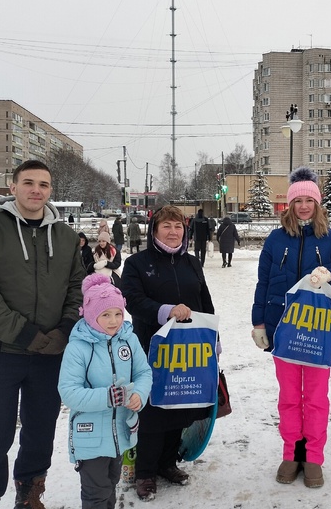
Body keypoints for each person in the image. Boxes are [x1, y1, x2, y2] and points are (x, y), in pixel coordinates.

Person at [0, 159, 85, 509]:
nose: (36, 190)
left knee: (40, 431)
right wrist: (25, 334)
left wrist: (64, 330)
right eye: (28, 182)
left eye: (43, 185)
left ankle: (30, 493)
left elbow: (77, 287)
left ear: (50, 191)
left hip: (50, 354)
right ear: (12, 187)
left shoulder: (64, 236)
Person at [251, 167, 331, 488]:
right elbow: (263, 282)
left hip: (318, 329)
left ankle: (314, 457)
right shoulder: (276, 239)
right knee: (290, 397)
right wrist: (258, 322)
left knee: (316, 398)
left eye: (310, 200)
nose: (304, 206)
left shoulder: (330, 238)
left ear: (318, 204)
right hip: (282, 329)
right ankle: (291, 452)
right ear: (290, 205)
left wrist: (330, 275)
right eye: (298, 200)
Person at [120, 205, 216, 502]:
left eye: (178, 226)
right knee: (152, 411)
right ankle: (145, 471)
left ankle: (166, 463)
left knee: (180, 406)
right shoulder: (137, 263)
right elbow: (132, 301)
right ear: (154, 230)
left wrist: (213, 339)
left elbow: (204, 301)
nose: (173, 232)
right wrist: (166, 312)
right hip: (150, 349)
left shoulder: (191, 263)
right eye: (166, 226)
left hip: (189, 350)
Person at [58, 273, 152, 509]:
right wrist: (108, 397)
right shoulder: (78, 348)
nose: (114, 321)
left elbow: (144, 372)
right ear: (91, 315)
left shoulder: (128, 340)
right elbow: (68, 391)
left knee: (111, 484)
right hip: (90, 437)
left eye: (118, 313)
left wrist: (139, 395)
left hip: (120, 433)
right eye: (106, 315)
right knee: (96, 494)